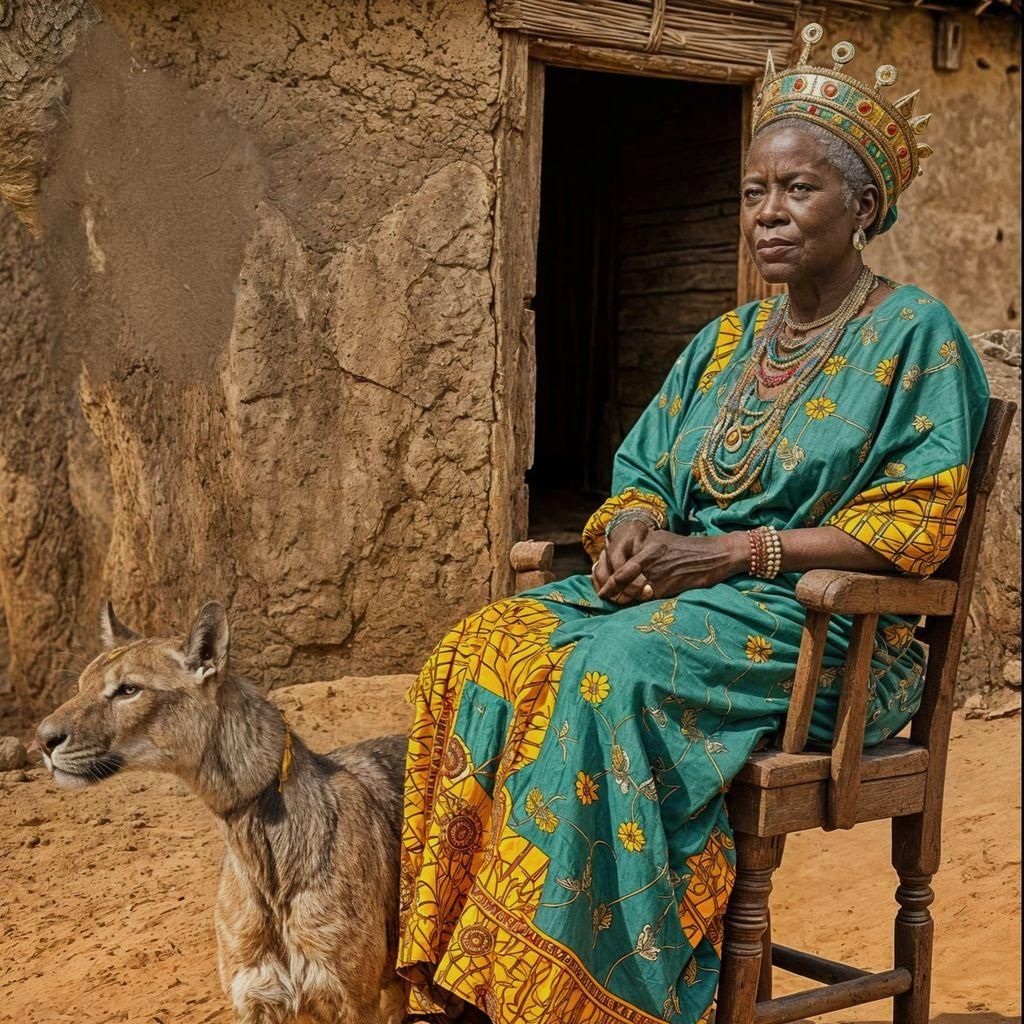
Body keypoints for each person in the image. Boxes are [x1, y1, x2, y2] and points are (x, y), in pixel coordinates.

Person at [397, 24, 989, 1024]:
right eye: (753, 192)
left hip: (829, 633)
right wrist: (630, 528)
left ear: (863, 206)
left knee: (607, 675)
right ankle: (481, 982)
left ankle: (603, 995)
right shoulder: (723, 342)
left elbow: (915, 523)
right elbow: (643, 472)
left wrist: (727, 551)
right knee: (478, 648)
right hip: (695, 603)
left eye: (797, 190)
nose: (767, 213)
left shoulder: (914, 332)